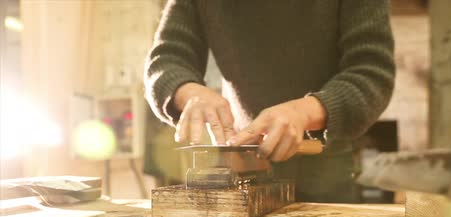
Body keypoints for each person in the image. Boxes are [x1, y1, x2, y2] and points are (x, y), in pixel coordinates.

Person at [144, 0, 395, 203]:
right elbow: (166, 61)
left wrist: (304, 113)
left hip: (324, 178)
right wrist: (188, 92)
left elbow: (372, 73)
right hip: (240, 175)